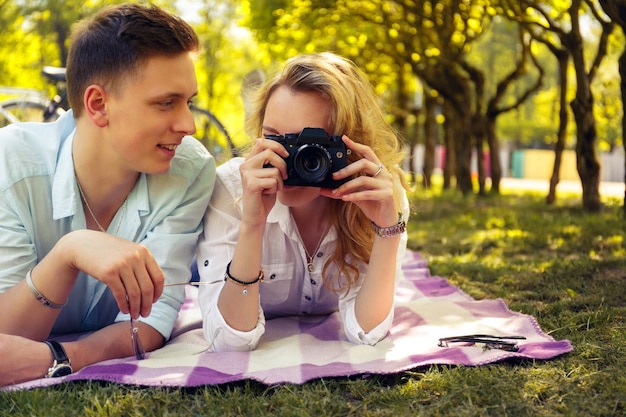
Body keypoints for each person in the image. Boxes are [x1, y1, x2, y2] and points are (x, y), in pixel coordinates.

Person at [0, 3, 215, 386]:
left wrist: (65, 358)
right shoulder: (12, 164)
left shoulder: (189, 169)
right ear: (99, 105)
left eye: (189, 102)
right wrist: (70, 252)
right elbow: (8, 339)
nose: (189, 125)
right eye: (166, 103)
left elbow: (151, 320)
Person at [197, 52, 410, 352]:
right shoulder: (232, 187)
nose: (290, 159)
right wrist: (252, 224)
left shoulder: (379, 195)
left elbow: (367, 332)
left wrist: (388, 229)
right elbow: (230, 340)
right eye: (276, 138)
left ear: (347, 146)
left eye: (310, 146)